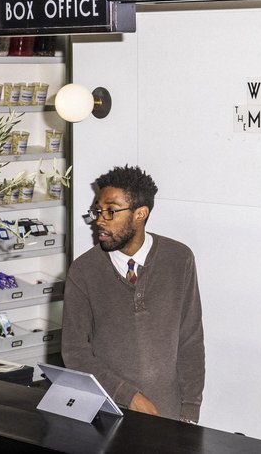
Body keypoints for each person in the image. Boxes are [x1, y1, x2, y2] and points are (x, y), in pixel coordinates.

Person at [61, 165, 205, 423]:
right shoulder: (83, 271)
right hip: (108, 415)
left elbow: (190, 340)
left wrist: (190, 411)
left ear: (140, 214)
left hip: (169, 418)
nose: (100, 219)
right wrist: (130, 396)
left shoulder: (179, 258)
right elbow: (75, 353)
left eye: (111, 211)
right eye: (98, 210)